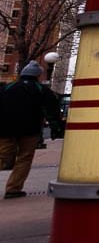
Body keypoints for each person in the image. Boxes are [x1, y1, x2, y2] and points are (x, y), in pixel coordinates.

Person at [0, 61, 61, 199]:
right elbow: (51, 110)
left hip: (5, 128)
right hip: (30, 129)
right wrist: (55, 127)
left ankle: (13, 188)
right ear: (38, 75)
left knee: (3, 157)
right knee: (24, 158)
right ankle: (13, 189)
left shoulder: (7, 87)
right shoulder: (41, 89)